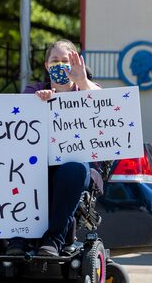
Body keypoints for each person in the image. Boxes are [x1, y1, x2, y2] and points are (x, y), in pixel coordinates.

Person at [7, 39, 101, 258]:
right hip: (38, 161)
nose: (59, 65)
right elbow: (16, 116)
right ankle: (18, 238)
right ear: (47, 66)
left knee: (72, 170)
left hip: (73, 165)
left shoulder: (84, 90)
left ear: (75, 63)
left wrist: (83, 82)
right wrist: (36, 102)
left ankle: (54, 239)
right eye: (55, 61)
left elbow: (106, 104)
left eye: (65, 61)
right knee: (26, 171)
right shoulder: (35, 90)